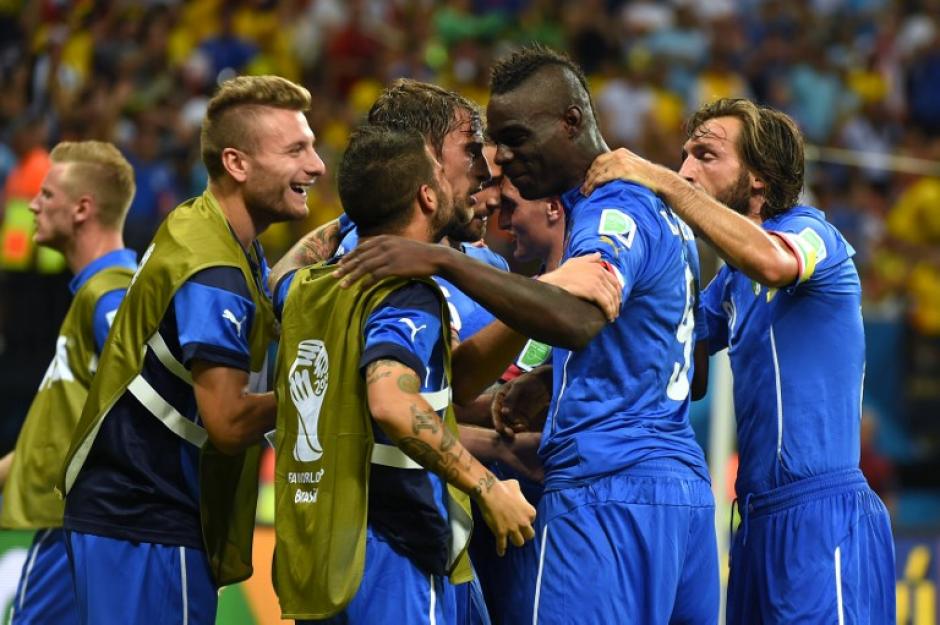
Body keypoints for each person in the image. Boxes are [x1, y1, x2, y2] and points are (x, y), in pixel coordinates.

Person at [334, 45, 718, 624]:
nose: (504, 158)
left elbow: (581, 318)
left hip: (605, 492)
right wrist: (554, 377)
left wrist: (441, 263)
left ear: (571, 120)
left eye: (516, 136)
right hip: (681, 490)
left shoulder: (611, 211)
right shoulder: (659, 209)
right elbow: (692, 370)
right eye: (494, 142)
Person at [583, 97, 896, 623]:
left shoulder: (815, 234)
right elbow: (678, 354)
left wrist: (657, 179)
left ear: (759, 178)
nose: (686, 170)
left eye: (705, 155)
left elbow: (773, 262)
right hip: (753, 523)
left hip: (822, 515)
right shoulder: (730, 281)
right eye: (683, 156)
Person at [57, 75, 326, 625]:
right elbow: (227, 423)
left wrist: (341, 233)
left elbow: (259, 294)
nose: (318, 165)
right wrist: (327, 386)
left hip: (120, 515)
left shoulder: (201, 225)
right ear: (237, 163)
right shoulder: (216, 272)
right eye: (296, 149)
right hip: (147, 521)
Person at [273, 123, 542, 624]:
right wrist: (487, 488)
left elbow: (279, 277)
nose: (454, 179)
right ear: (424, 194)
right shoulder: (405, 295)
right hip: (397, 550)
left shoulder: (308, 287)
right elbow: (393, 403)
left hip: (328, 546)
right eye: (440, 171)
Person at [0, 141, 137, 625]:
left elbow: (144, 406)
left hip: (79, 531)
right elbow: (70, 426)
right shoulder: (97, 294)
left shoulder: (111, 296)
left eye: (48, 195)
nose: (33, 205)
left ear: (82, 209)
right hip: (83, 527)